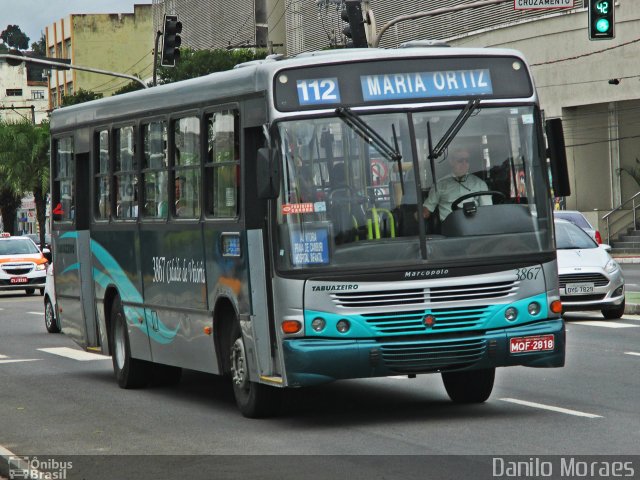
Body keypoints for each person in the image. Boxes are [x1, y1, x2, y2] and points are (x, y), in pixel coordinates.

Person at [422, 147, 492, 221]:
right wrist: (420, 215)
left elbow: (487, 210)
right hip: (449, 227)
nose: (464, 164)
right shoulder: (440, 184)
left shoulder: (479, 183)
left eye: (467, 160)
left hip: (474, 226)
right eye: (460, 160)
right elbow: (428, 208)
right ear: (451, 162)